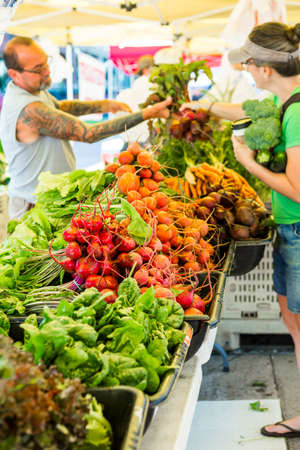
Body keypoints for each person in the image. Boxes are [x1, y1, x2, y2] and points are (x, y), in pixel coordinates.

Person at [181, 21, 300, 439]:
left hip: (299, 228)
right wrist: (202, 108)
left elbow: (299, 190)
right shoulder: (284, 103)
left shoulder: (297, 113)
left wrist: (247, 161)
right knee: (292, 316)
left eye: (248, 64)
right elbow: (248, 111)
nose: (246, 71)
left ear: (265, 68)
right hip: (291, 229)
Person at [0, 38, 171, 220]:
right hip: (32, 207)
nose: (47, 71)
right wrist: (148, 114)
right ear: (14, 74)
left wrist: (104, 105)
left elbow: (60, 108)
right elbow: (88, 133)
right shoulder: (28, 109)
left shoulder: (32, 90)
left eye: (46, 63)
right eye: (38, 69)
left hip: (50, 202)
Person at [116, 54, 155, 145]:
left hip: (132, 137)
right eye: (154, 68)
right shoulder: (147, 83)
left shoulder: (136, 85)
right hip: (147, 136)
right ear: (145, 70)